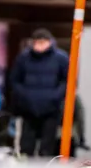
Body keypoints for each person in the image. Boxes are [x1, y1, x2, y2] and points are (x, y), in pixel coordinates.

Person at [9, 28, 68, 157]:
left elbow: (67, 81)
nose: (40, 46)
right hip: (28, 109)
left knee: (47, 146)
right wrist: (24, 97)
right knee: (26, 146)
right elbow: (15, 80)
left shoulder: (61, 59)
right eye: (37, 42)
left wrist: (55, 97)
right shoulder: (23, 58)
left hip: (51, 109)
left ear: (49, 42)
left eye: (43, 42)